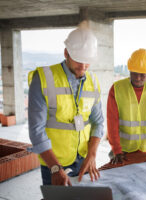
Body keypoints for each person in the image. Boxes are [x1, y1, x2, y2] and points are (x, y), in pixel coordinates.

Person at [28, 22, 104, 186]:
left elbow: (98, 122)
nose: (83, 67)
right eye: (78, 60)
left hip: (84, 159)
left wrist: (92, 155)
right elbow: (36, 130)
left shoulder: (93, 81)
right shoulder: (43, 78)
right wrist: (55, 168)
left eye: (87, 61)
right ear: (66, 53)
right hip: (54, 163)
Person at [107, 48, 146, 164]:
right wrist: (116, 150)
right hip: (123, 151)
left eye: (142, 75)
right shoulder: (117, 89)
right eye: (134, 73)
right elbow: (112, 121)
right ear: (129, 71)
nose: (138, 78)